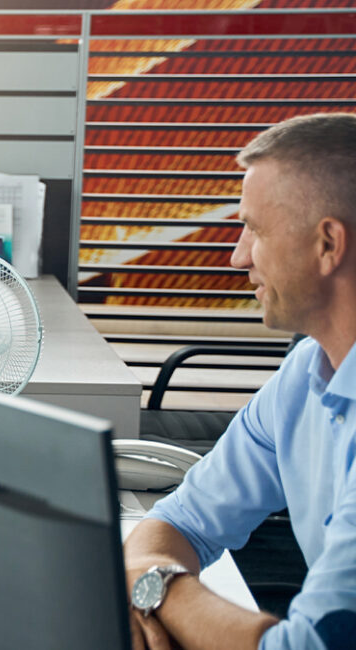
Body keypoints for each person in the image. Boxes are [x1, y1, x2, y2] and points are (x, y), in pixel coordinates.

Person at [124, 112, 356, 649]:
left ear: (329, 244)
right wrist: (153, 575)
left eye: (255, 228)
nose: (238, 256)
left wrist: (155, 591)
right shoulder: (305, 374)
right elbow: (181, 522)